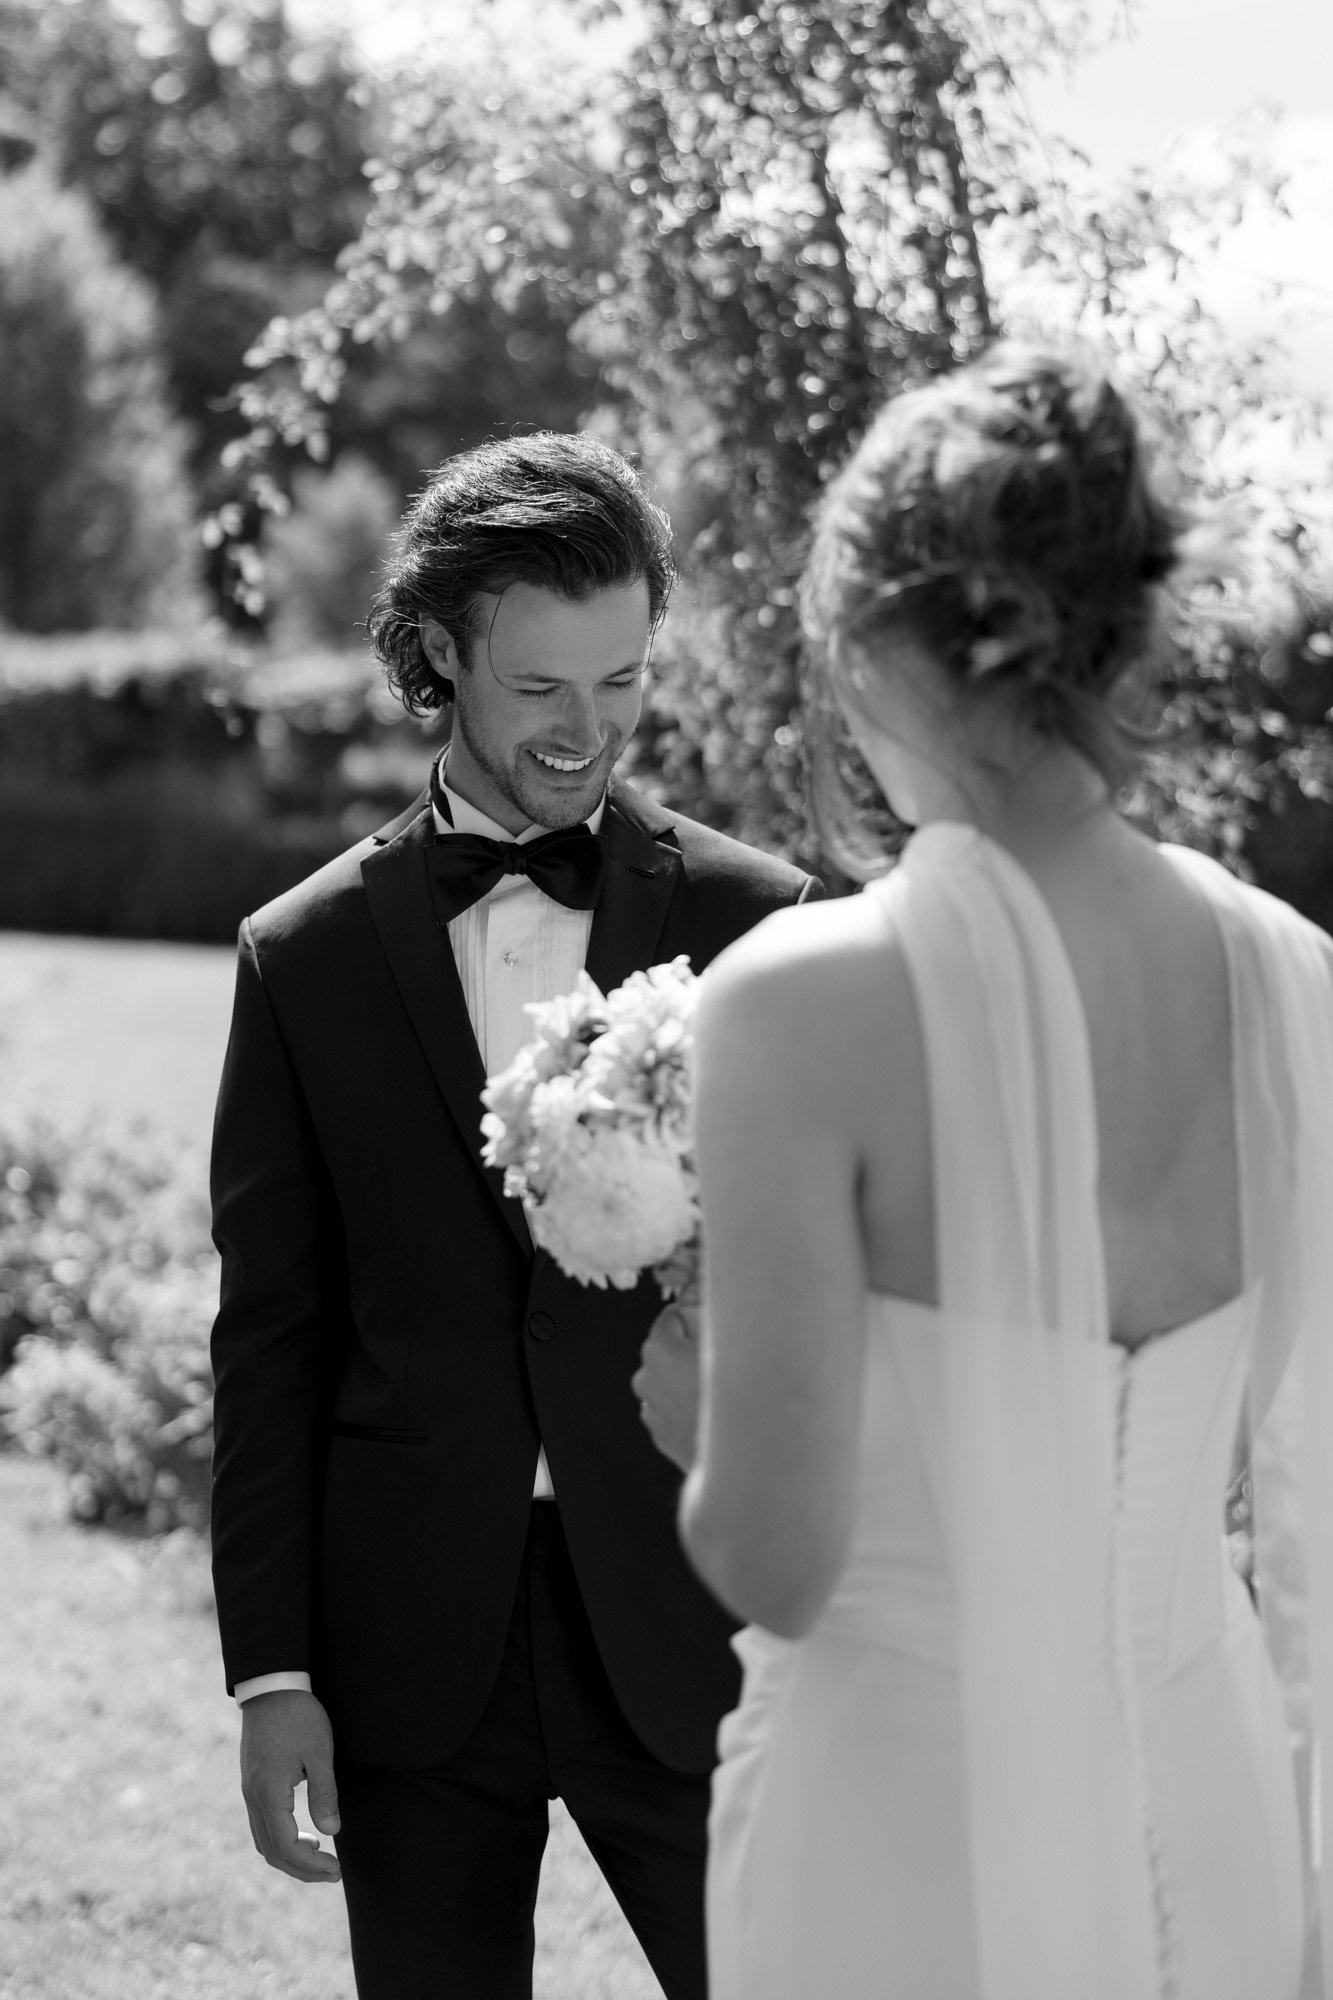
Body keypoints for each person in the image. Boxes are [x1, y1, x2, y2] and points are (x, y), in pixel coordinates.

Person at [638, 345, 1333, 1999]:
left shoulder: (805, 1004)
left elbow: (776, 1556)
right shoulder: (1294, 981)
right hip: (1216, 1805)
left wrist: (693, 1403)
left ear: (880, 638)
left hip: (904, 1836)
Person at [208, 430, 823, 2000]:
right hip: (414, 1645)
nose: (587, 730)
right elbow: (271, 1331)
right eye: (543, 686)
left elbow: (823, 1288)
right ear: (435, 656)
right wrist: (272, 1670)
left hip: (690, 1613)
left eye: (618, 681)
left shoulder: (759, 923)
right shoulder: (307, 956)